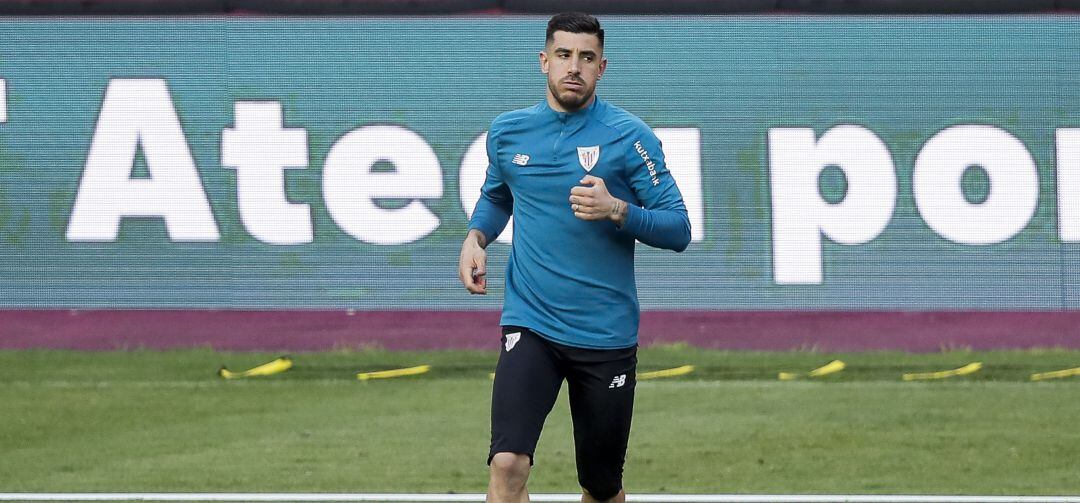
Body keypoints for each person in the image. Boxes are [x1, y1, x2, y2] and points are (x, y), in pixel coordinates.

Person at [458, 12, 691, 503]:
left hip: (604, 334)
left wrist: (618, 210)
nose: (574, 67)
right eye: (563, 55)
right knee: (506, 464)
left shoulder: (630, 137)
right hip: (531, 323)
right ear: (544, 61)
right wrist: (476, 237)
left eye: (586, 58)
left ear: (602, 68)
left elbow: (678, 228)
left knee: (602, 488)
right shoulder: (508, 132)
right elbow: (498, 195)